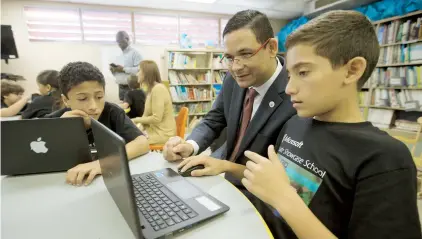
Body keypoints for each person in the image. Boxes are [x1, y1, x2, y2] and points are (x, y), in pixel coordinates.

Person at [239, 10, 422, 239]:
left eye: (303, 72)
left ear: (352, 70)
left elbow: (281, 196)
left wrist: (283, 198)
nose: (289, 89)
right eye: (289, 75)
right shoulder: (294, 125)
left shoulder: (385, 158)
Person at [164, 10, 295, 184]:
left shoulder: (295, 94)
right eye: (230, 58)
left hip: (255, 190)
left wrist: (226, 167)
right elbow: (214, 119)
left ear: (271, 47)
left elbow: (287, 177)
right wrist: (189, 146)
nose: (236, 67)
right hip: (219, 169)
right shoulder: (232, 79)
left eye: (246, 54)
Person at [47, 61, 149, 186]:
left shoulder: (113, 112)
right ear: (65, 100)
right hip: (68, 184)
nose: (93, 107)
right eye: (82, 99)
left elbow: (142, 143)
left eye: (99, 96)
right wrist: (61, 129)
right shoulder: (55, 120)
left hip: (108, 182)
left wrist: (103, 164)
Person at [132, 60, 176, 144]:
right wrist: (138, 127)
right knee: (131, 136)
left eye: (139, 71)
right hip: (154, 130)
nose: (137, 74)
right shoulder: (150, 90)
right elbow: (145, 116)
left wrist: (135, 120)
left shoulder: (158, 89)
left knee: (132, 143)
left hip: (163, 134)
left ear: (146, 73)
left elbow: (156, 118)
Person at [110, 31, 142, 101]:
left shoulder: (135, 53)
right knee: (123, 110)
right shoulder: (119, 55)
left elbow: (139, 71)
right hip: (120, 86)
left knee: (133, 109)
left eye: (121, 41)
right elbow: (118, 72)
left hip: (131, 87)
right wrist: (114, 71)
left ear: (127, 39)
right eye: (117, 41)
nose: (119, 44)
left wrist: (124, 69)